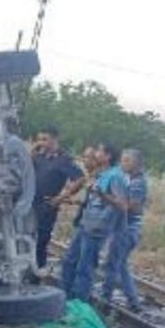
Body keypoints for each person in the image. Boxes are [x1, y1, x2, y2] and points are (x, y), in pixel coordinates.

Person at [59, 142, 128, 302]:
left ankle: (79, 305)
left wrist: (102, 194)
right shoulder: (102, 174)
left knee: (85, 268)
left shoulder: (115, 176)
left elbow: (122, 205)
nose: (95, 153)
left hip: (97, 229)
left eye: (98, 151)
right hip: (85, 224)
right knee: (69, 261)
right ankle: (65, 298)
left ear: (107, 156)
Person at [101, 149, 149, 310]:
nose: (123, 163)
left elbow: (132, 206)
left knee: (112, 265)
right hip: (126, 229)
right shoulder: (130, 179)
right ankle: (134, 302)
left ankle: (104, 300)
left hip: (126, 230)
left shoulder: (137, 182)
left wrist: (107, 197)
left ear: (136, 163)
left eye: (127, 160)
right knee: (121, 265)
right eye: (122, 160)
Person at [31, 126, 84, 269]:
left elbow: (79, 179)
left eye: (44, 139)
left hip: (46, 205)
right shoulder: (38, 156)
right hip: (30, 203)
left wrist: (61, 198)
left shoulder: (63, 159)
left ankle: (37, 276)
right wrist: (33, 151)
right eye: (39, 139)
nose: (40, 143)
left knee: (40, 242)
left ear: (55, 140)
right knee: (26, 238)